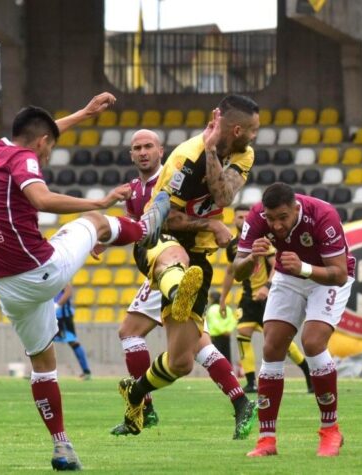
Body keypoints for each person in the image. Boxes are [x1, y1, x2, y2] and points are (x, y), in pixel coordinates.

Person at [0, 91, 170, 471]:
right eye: (47, 151)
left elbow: (42, 133)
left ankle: (62, 446)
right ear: (41, 144)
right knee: (92, 223)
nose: (44, 158)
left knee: (42, 363)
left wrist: (84, 113)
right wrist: (99, 204)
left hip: (3, 283)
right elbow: (41, 199)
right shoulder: (26, 157)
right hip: (38, 271)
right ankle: (143, 228)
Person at [117, 95, 260, 439]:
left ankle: (136, 395)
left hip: (199, 258)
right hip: (158, 242)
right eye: (253, 130)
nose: (255, 136)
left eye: (147, 146)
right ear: (237, 128)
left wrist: (212, 151)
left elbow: (224, 197)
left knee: (181, 361)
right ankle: (180, 287)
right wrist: (210, 225)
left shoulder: (243, 153)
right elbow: (160, 218)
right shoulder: (184, 157)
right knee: (175, 262)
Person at [232, 182, 356, 458]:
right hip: (290, 276)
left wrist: (304, 267)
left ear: (296, 209)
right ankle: (266, 440)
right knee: (271, 346)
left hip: (325, 277)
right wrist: (253, 255)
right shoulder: (256, 218)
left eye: (283, 218)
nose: (276, 225)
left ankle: (330, 430)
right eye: (271, 218)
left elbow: (339, 273)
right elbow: (237, 271)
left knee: (312, 342)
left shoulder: (323, 215)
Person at [220, 205, 314, 394]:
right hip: (247, 298)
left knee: (282, 343)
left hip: (266, 298)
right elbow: (231, 272)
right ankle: (251, 382)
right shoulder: (233, 247)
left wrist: (267, 287)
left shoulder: (262, 241)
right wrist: (223, 299)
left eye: (247, 216)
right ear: (234, 220)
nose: (244, 220)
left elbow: (275, 265)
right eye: (240, 217)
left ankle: (308, 374)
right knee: (242, 334)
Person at [53, 283, 91, 380]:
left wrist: (57, 305)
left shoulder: (59, 273)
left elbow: (68, 290)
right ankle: (41, 371)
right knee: (42, 342)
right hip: (51, 316)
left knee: (72, 341)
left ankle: (86, 372)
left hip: (63, 317)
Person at [204, 291, 237, 362]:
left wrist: (222, 331)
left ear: (212, 299)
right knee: (227, 358)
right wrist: (228, 330)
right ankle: (228, 372)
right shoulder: (227, 308)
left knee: (216, 359)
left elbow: (214, 322)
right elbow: (232, 321)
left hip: (216, 337)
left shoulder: (212, 309)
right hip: (227, 336)